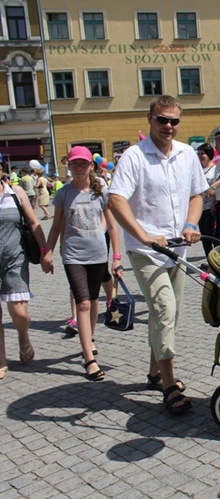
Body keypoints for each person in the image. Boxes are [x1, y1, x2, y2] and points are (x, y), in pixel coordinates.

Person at [108, 95, 207, 414]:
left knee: (170, 314)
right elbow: (116, 200)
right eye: (162, 119)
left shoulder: (187, 154)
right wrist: (143, 235)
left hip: (177, 248)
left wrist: (192, 222)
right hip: (145, 251)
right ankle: (168, 384)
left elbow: (197, 194)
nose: (168, 126)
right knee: (164, 309)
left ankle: (153, 373)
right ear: (149, 120)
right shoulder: (134, 157)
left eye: (174, 121)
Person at [42, 146, 122, 381]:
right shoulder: (63, 193)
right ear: (69, 165)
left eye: (82, 164)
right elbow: (56, 226)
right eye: (74, 164)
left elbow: (113, 226)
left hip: (98, 255)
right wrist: (47, 253)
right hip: (73, 256)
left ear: (91, 166)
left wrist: (116, 257)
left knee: (95, 302)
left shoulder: (101, 192)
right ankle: (89, 358)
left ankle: (89, 339)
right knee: (83, 304)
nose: (78, 168)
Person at [0, 173, 50, 380]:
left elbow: (32, 221)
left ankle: (23, 335)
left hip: (15, 259)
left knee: (19, 313)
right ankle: (1, 360)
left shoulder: (15, 193)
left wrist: (45, 252)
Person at [197, 143, 217, 257]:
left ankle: (216, 256)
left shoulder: (214, 169)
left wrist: (214, 202)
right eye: (199, 153)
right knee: (203, 234)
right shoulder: (198, 169)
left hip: (210, 206)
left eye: (202, 153)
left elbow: (216, 187)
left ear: (209, 154)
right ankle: (208, 257)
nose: (200, 156)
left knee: (211, 233)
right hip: (200, 206)